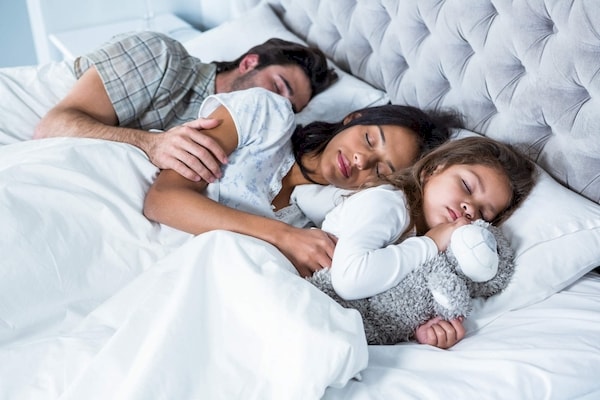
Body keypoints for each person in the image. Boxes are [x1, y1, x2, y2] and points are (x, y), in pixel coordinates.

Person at [143, 87, 463, 277]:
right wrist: (284, 236)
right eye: (368, 139)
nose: (361, 160)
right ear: (353, 118)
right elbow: (163, 199)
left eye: (380, 170)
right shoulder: (266, 116)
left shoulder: (325, 222)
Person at [309, 135, 537, 348]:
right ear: (432, 169)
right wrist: (429, 243)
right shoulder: (388, 203)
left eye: (483, 213)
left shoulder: (434, 246)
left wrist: (417, 326)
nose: (469, 208)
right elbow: (350, 280)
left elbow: (384, 295)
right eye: (466, 186)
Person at [32, 32, 338, 182]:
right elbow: (52, 128)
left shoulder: (236, 135)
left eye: (288, 107)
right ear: (248, 63)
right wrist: (150, 144)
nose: (275, 107)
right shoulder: (161, 57)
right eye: (276, 88)